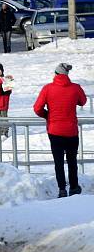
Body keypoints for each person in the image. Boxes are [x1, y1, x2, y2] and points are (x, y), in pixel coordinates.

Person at [33, 63, 87, 198]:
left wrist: (47, 115)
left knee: (58, 162)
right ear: (67, 74)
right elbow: (83, 101)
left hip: (54, 131)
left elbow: (37, 108)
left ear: (56, 74)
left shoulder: (47, 89)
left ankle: (62, 189)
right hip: (71, 131)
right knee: (72, 161)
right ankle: (74, 187)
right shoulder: (75, 88)